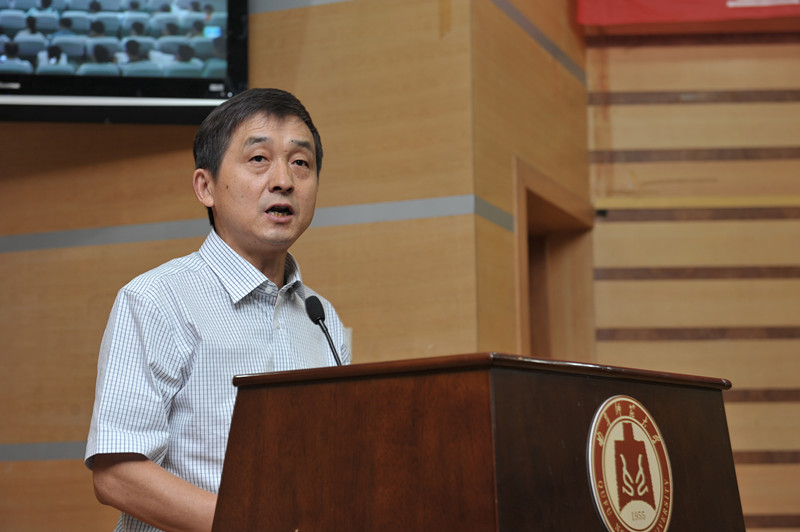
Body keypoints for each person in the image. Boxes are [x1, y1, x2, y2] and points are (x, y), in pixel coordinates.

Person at [85, 88, 351, 532]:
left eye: (301, 163)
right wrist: (252, 523)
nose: (284, 180)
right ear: (205, 187)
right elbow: (117, 474)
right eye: (259, 159)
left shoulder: (322, 318)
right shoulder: (157, 299)